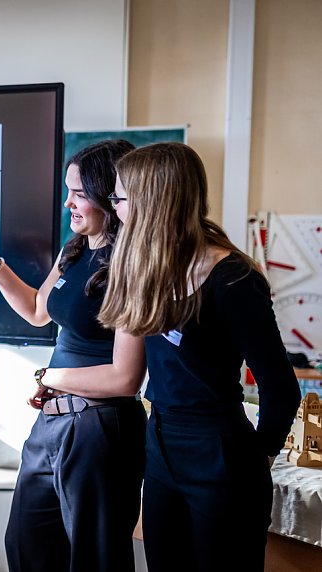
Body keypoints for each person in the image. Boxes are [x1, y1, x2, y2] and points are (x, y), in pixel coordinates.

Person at [0, 140, 147, 572]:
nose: (68, 203)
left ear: (111, 194)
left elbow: (125, 380)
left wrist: (51, 375)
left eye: (78, 193)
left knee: (96, 557)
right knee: (27, 543)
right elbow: (38, 311)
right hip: (52, 421)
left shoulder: (133, 263)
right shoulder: (75, 249)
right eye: (67, 191)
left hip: (99, 429)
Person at [99, 142, 301, 572]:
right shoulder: (151, 266)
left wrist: (256, 456)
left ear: (153, 200)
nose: (115, 208)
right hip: (162, 446)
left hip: (219, 454)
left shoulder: (233, 280)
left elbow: (280, 386)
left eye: (120, 198)